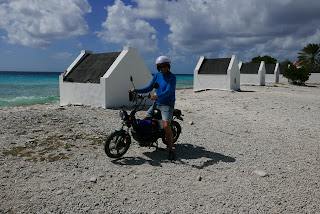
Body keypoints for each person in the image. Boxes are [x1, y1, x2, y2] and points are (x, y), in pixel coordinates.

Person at [132, 56, 176, 160]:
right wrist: (137, 90)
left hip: (167, 104)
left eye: (164, 66)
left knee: (166, 127)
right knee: (143, 120)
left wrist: (157, 96)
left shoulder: (172, 77)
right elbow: (149, 87)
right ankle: (146, 139)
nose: (162, 68)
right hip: (157, 103)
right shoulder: (157, 75)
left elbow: (168, 91)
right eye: (160, 66)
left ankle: (171, 149)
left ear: (168, 66)